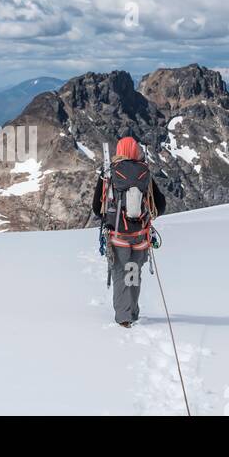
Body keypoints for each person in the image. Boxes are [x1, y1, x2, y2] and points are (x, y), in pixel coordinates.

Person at [92, 136, 167, 328]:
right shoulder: (144, 173)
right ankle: (133, 311)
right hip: (140, 236)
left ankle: (124, 317)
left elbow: (96, 207)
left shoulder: (109, 173)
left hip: (118, 236)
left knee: (120, 274)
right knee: (133, 272)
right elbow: (160, 205)